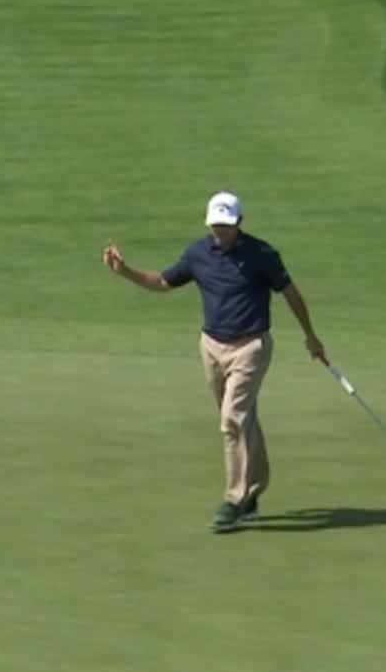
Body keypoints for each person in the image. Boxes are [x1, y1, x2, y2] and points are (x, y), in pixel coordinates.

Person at [102, 191, 326, 532]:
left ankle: (234, 500)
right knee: (241, 418)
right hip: (211, 346)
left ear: (239, 223)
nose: (221, 231)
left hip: (251, 345)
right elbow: (163, 281)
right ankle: (254, 489)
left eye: (227, 225)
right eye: (216, 225)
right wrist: (126, 271)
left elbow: (291, 293)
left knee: (231, 420)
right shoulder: (197, 253)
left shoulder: (261, 254)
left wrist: (310, 335)